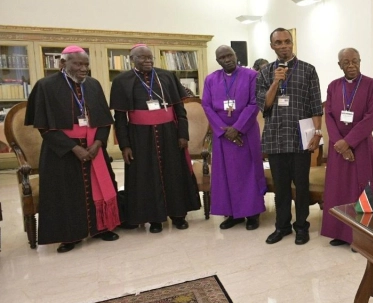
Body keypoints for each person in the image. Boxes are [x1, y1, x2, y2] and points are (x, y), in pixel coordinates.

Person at [25, 46, 120, 253]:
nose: (83, 68)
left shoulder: (93, 85)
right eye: (78, 64)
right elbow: (44, 127)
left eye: (86, 64)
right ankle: (68, 236)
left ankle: (101, 228)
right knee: (65, 194)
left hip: (94, 147)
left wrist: (98, 144)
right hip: (61, 152)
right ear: (62, 63)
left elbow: (104, 121)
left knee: (100, 187)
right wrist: (73, 148)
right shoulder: (45, 86)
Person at [110, 44, 201, 233]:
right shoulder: (122, 81)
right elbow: (120, 118)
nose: (148, 61)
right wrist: (125, 145)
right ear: (132, 59)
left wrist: (183, 135)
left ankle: (178, 215)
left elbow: (179, 110)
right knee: (146, 176)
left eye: (150, 57)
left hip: (169, 133)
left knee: (174, 173)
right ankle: (155, 218)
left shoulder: (166, 76)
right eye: (142, 58)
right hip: (139, 137)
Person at [256, 28, 323, 245]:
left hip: (299, 137)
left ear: (292, 43)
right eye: (279, 42)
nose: (283, 45)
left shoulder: (308, 70)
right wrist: (276, 82)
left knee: (301, 186)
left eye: (287, 41)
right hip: (275, 137)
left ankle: (301, 227)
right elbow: (264, 105)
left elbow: (315, 106)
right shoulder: (265, 73)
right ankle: (282, 226)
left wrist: (318, 134)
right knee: (281, 187)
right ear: (272, 46)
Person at [320, 48, 373, 246]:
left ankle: (361, 237)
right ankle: (340, 233)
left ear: (360, 61)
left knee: (361, 191)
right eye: (346, 62)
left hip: (362, 147)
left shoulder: (372, 85)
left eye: (355, 61)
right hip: (339, 148)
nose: (351, 65)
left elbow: (371, 117)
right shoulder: (333, 86)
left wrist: (349, 142)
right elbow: (328, 115)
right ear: (339, 65)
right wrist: (339, 143)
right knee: (339, 190)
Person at [202, 45, 267, 230]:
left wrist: (237, 128)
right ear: (218, 61)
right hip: (221, 134)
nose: (227, 59)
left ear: (235, 55)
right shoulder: (211, 79)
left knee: (248, 173)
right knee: (225, 175)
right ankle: (232, 214)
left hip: (246, 132)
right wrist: (224, 131)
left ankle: (252, 213)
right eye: (222, 57)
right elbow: (206, 106)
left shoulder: (251, 75)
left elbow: (255, 103)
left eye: (229, 55)